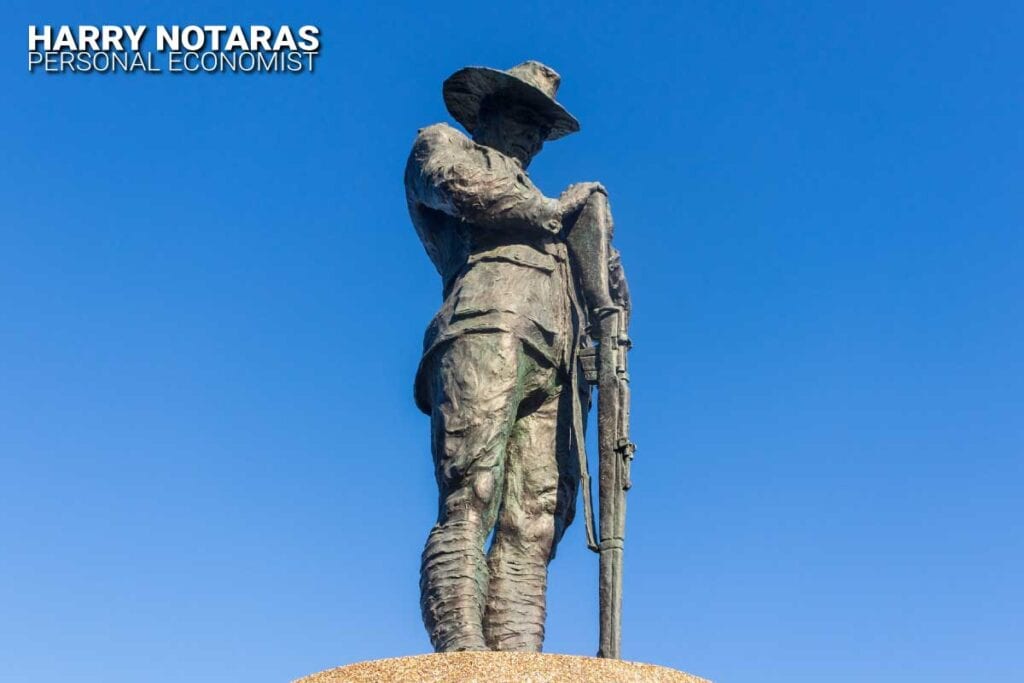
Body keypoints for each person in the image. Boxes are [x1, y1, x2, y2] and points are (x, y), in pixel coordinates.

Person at [404, 60, 623, 652]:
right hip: (486, 325)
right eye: (520, 118)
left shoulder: (548, 205)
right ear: (487, 114)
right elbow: (459, 187)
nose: (530, 136)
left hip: (560, 356)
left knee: (536, 517)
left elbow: (607, 291)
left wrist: (602, 261)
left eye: (539, 127)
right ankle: (463, 652)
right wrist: (556, 213)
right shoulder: (444, 145)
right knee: (470, 492)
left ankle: (518, 656)